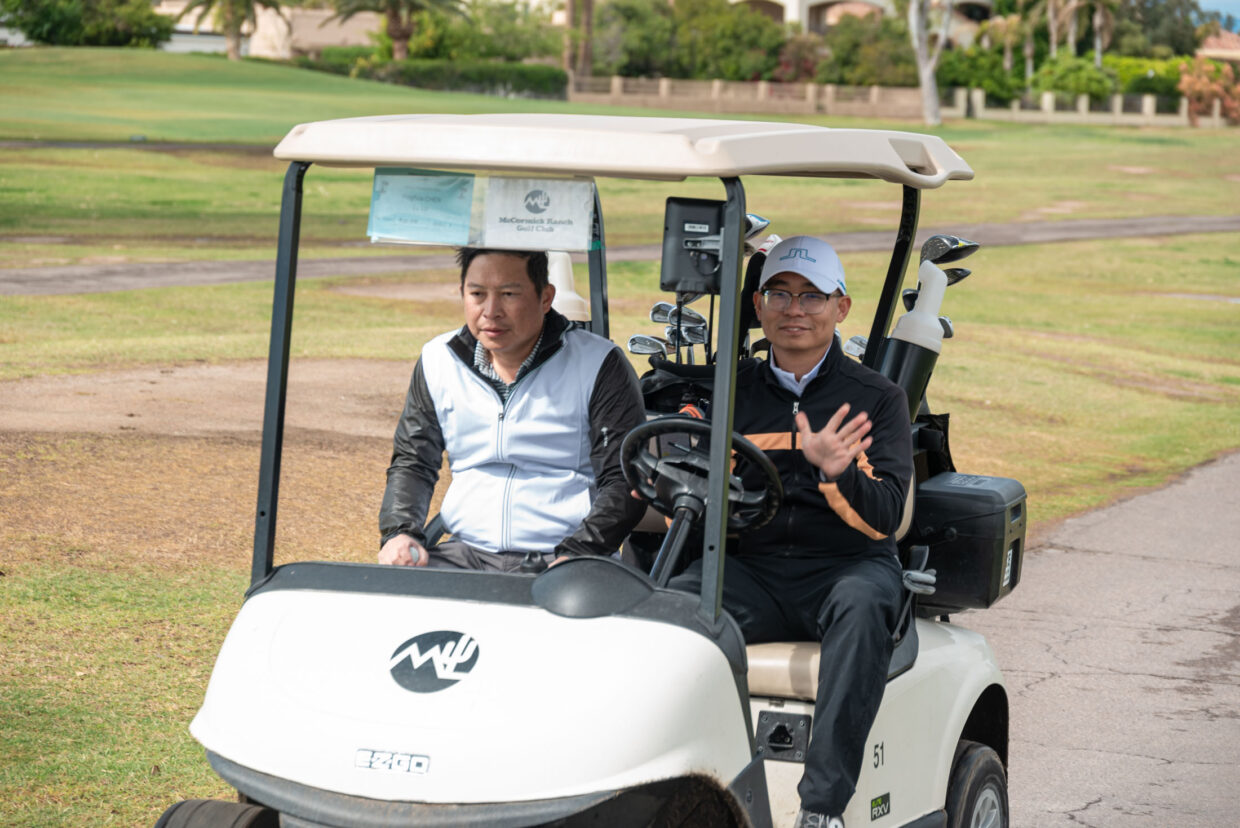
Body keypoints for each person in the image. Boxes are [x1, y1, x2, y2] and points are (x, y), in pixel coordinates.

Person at [669, 236, 913, 828]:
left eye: (812, 296)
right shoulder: (730, 391)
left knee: (862, 606)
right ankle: (667, 788)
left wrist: (837, 472)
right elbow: (702, 486)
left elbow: (884, 516)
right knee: (667, 610)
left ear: (840, 307)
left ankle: (822, 809)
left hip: (847, 567)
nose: (794, 309)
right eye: (780, 294)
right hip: (754, 569)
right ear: (758, 306)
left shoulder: (877, 399)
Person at [378, 247, 647, 571]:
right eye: (477, 294)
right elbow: (413, 460)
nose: (491, 311)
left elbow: (623, 479)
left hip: (566, 556)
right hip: (465, 554)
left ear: (545, 298)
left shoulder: (599, 363)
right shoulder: (438, 360)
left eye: (508, 294)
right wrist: (400, 532)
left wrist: (579, 552)